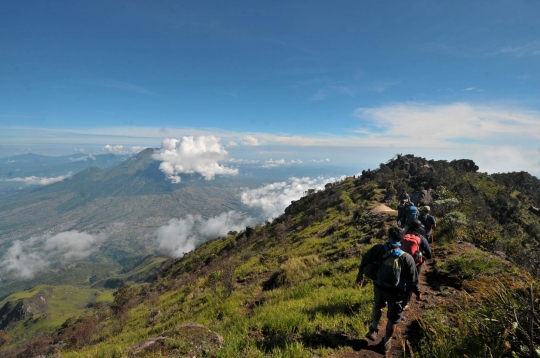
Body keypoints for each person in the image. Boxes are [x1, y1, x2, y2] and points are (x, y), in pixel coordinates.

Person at [356, 227, 422, 355]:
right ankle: (386, 343)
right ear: (402, 239)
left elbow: (365, 259)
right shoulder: (407, 258)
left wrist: (360, 274)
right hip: (397, 291)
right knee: (393, 318)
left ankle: (373, 328)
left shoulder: (379, 249)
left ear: (388, 236)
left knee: (377, 304)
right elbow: (413, 278)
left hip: (379, 285)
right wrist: (418, 292)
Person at [401, 219, 432, 309]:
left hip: (401, 262)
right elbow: (429, 254)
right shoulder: (422, 239)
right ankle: (405, 303)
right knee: (412, 281)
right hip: (415, 263)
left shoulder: (403, 236)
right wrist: (424, 257)